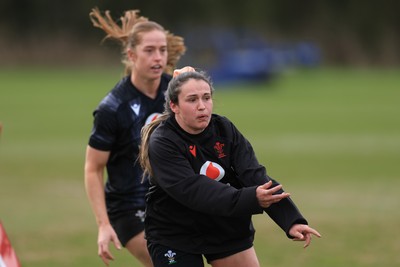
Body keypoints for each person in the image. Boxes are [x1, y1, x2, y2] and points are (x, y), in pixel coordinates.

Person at [139, 68, 321, 267]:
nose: (202, 106)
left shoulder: (224, 129)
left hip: (224, 227)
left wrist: (291, 219)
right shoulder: (163, 141)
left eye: (206, 98)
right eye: (192, 100)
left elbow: (254, 175)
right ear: (174, 105)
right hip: (175, 234)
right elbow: (194, 190)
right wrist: (251, 198)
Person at [84, 8, 186, 266]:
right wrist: (103, 224)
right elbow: (93, 169)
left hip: (173, 200)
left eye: (162, 50)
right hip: (130, 209)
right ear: (131, 55)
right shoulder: (113, 108)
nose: (158, 57)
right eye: (149, 50)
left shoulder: (176, 92)